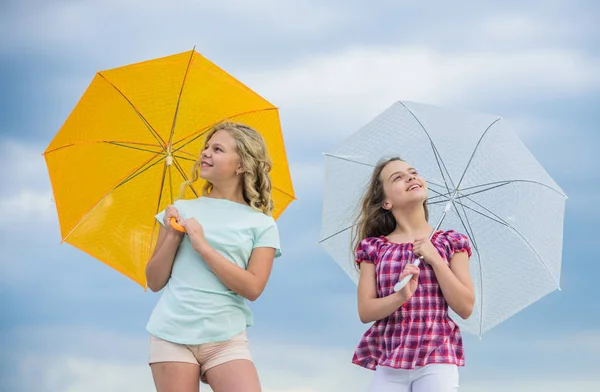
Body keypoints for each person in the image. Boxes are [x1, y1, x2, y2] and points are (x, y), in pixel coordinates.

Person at [145, 121, 281, 392]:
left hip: (226, 337)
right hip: (172, 333)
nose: (205, 153)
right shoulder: (180, 210)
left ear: (241, 165)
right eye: (206, 147)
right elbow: (154, 281)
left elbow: (253, 288)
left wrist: (202, 246)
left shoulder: (262, 224)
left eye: (217, 149)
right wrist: (173, 236)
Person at [351, 157, 475, 392]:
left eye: (413, 172)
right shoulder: (374, 248)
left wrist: (435, 259)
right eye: (397, 178)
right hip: (390, 360)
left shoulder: (450, 242)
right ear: (386, 202)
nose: (410, 177)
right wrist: (400, 296)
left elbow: (465, 306)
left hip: (437, 357)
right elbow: (365, 311)